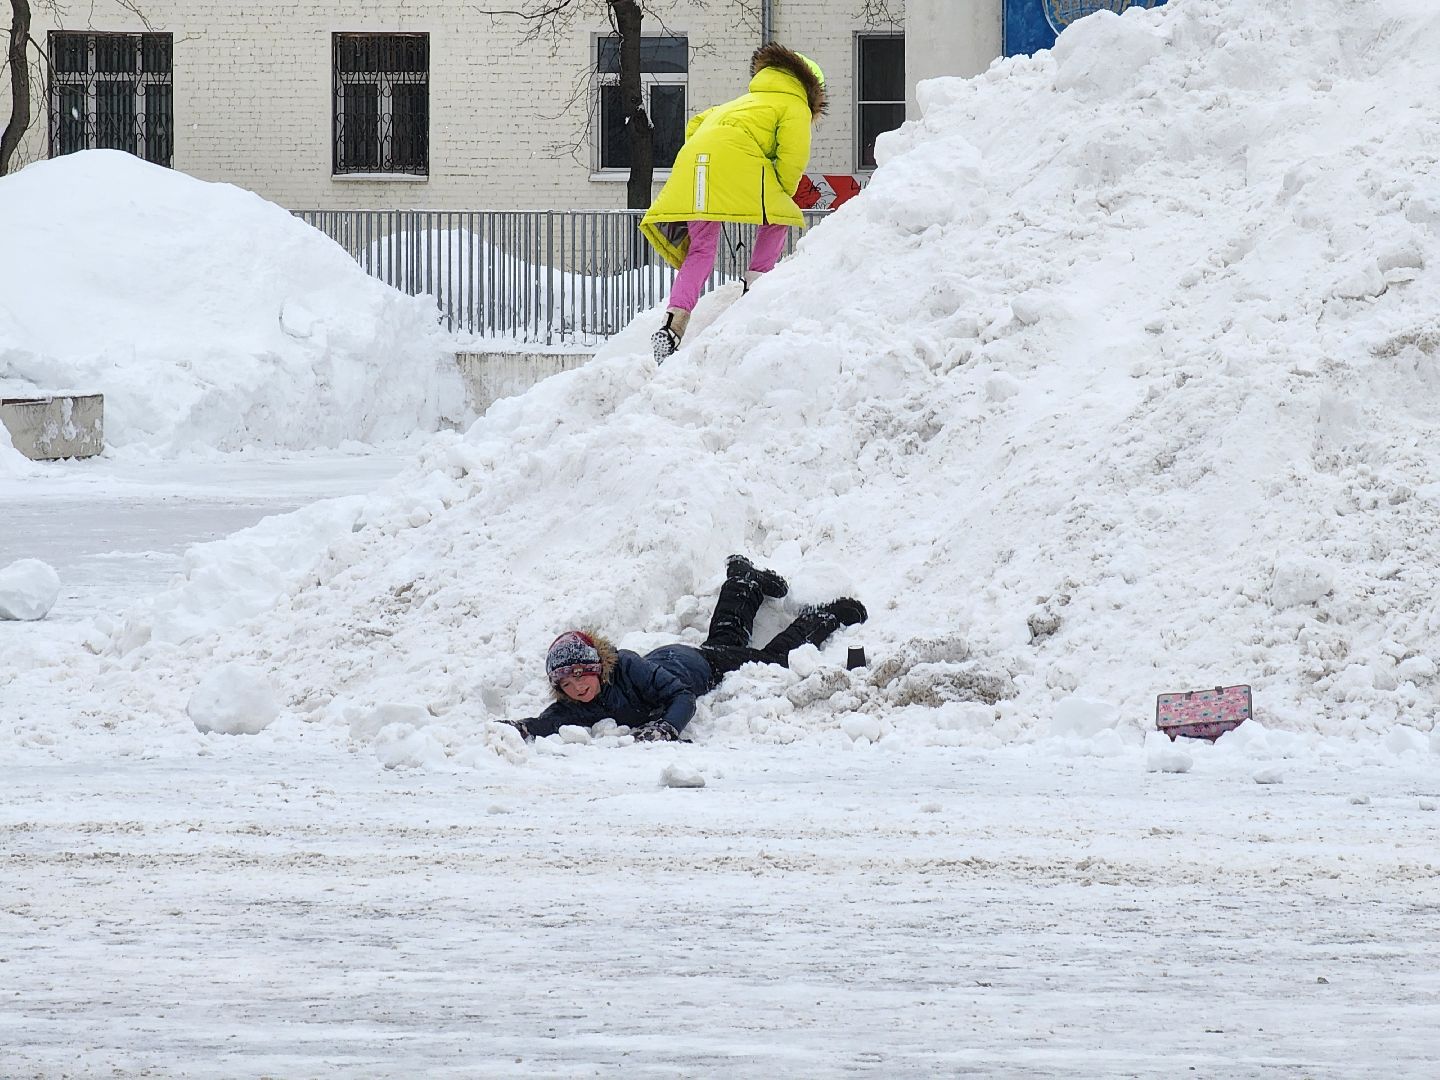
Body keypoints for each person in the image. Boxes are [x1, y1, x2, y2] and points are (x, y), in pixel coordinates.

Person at [509, 555, 866, 742]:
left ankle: (830, 613)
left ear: (596, 668)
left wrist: (667, 727)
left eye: (580, 677)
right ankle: (745, 580)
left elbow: (682, 697)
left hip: (698, 665)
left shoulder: (628, 666)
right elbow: (550, 721)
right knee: (727, 638)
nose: (577, 689)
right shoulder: (576, 705)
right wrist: (522, 728)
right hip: (684, 657)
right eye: (567, 686)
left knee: (773, 660)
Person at [639, 44, 827, 363]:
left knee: (701, 249)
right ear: (811, 89)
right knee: (779, 215)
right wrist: (778, 191)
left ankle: (673, 325)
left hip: (695, 164)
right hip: (737, 160)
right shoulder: (794, 106)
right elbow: (792, 159)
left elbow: (696, 124)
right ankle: (755, 286)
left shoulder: (740, 103)